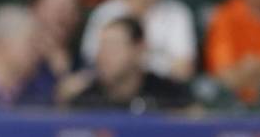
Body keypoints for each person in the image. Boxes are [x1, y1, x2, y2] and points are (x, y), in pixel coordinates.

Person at [65, 17, 193, 111]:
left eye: (113, 47)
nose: (103, 56)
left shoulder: (170, 95)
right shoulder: (85, 101)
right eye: (101, 47)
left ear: (138, 50)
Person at [31, 0, 83, 79]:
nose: (62, 16)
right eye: (56, 8)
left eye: (70, 8)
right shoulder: (18, 57)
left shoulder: (82, 64)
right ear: (34, 8)